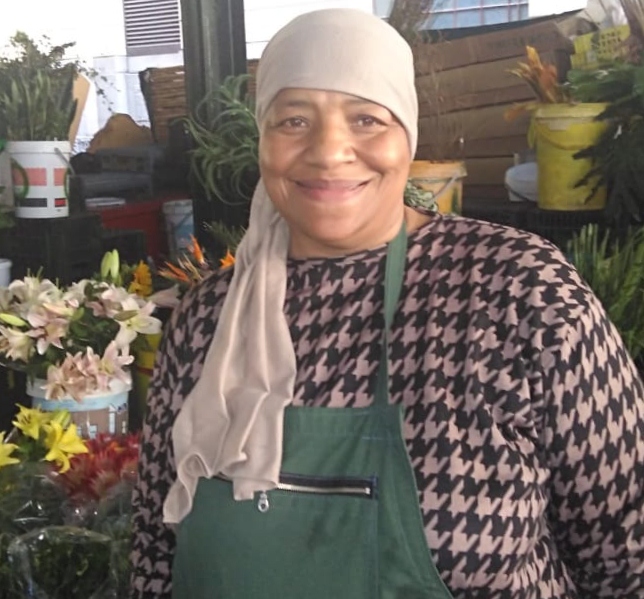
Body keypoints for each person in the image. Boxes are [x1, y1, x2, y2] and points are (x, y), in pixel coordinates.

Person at [130, 8, 644, 599]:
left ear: (408, 137)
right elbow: (156, 552)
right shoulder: (207, 319)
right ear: (263, 140)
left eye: (367, 119)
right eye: (293, 120)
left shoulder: (517, 291)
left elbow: (627, 554)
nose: (329, 151)